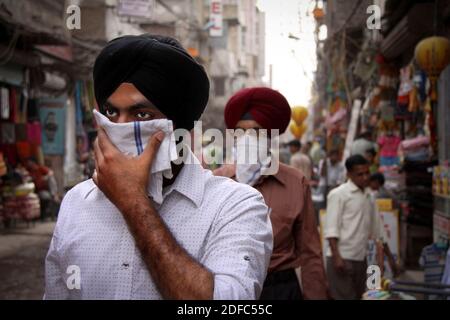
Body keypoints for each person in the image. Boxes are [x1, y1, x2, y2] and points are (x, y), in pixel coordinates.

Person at [45, 35, 273, 300]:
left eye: (142, 115)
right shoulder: (76, 202)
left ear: (179, 126)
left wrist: (133, 203)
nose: (121, 127)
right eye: (110, 113)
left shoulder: (235, 206)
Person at [214, 87, 328, 300]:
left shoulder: (295, 182)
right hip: (228, 289)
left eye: (256, 131)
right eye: (241, 131)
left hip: (281, 289)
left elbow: (310, 252)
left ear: (269, 137)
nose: (247, 138)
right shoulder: (218, 182)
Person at [324, 155, 384, 300]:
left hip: (362, 259)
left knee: (360, 296)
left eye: (367, 173)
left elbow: (377, 232)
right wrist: (337, 257)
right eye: (360, 174)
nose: (365, 177)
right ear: (349, 174)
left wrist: (380, 262)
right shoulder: (338, 194)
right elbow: (331, 230)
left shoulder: (370, 195)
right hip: (342, 257)